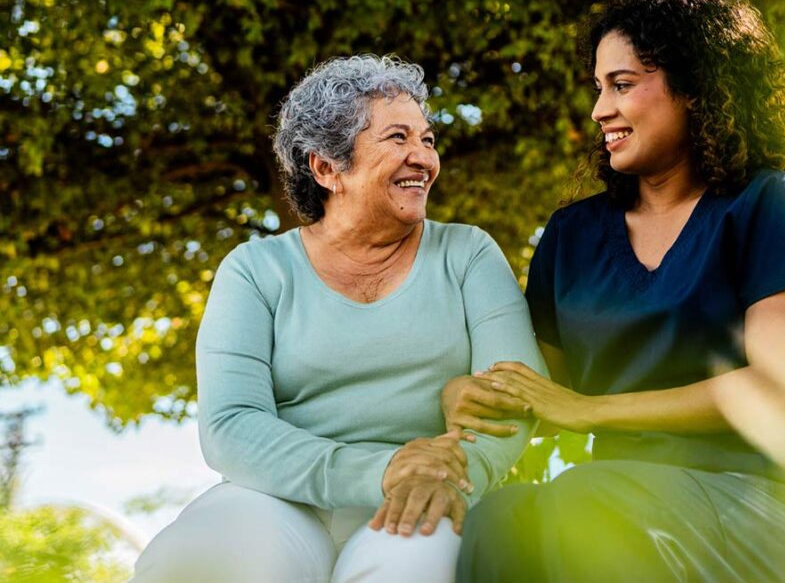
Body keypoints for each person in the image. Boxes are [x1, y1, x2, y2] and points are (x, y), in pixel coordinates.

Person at [447, 0, 785, 582]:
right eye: (598, 87)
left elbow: (774, 392)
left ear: (693, 87)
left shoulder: (762, 203)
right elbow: (535, 390)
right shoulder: (572, 235)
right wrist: (465, 397)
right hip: (619, 501)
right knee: (503, 520)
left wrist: (591, 412)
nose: (598, 109)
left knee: (586, 503)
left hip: (764, 504)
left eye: (622, 84)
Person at [132, 55, 544, 583]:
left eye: (428, 139)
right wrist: (379, 471)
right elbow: (231, 425)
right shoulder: (256, 270)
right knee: (201, 558)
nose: (422, 157)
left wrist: (454, 475)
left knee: (416, 569)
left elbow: (512, 396)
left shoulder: (468, 254)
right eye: (398, 138)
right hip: (276, 496)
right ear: (326, 168)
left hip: (427, 491)